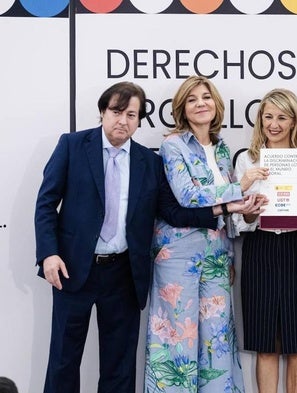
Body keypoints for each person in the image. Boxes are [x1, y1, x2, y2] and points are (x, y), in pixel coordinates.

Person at [34, 81, 254, 393]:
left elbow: (174, 214)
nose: (122, 120)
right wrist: (48, 253)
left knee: (119, 368)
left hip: (124, 274)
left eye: (132, 115)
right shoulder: (72, 146)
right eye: (116, 111)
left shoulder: (148, 162)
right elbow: (45, 203)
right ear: (102, 112)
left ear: (140, 121)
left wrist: (227, 208)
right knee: (63, 362)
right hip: (73, 269)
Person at [144, 76, 265, 393]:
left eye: (206, 97)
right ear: (182, 107)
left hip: (217, 255)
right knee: (176, 342)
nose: (201, 103)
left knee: (218, 341)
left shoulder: (223, 149)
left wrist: (245, 211)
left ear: (216, 104)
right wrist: (241, 186)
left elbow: (227, 208)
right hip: (177, 254)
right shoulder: (173, 145)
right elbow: (186, 196)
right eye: (193, 99)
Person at [233, 88, 297, 393]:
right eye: (268, 117)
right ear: (260, 119)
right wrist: (247, 201)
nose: (273, 124)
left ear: (293, 121)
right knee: (265, 341)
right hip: (260, 249)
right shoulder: (246, 161)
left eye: (281, 117)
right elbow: (237, 220)